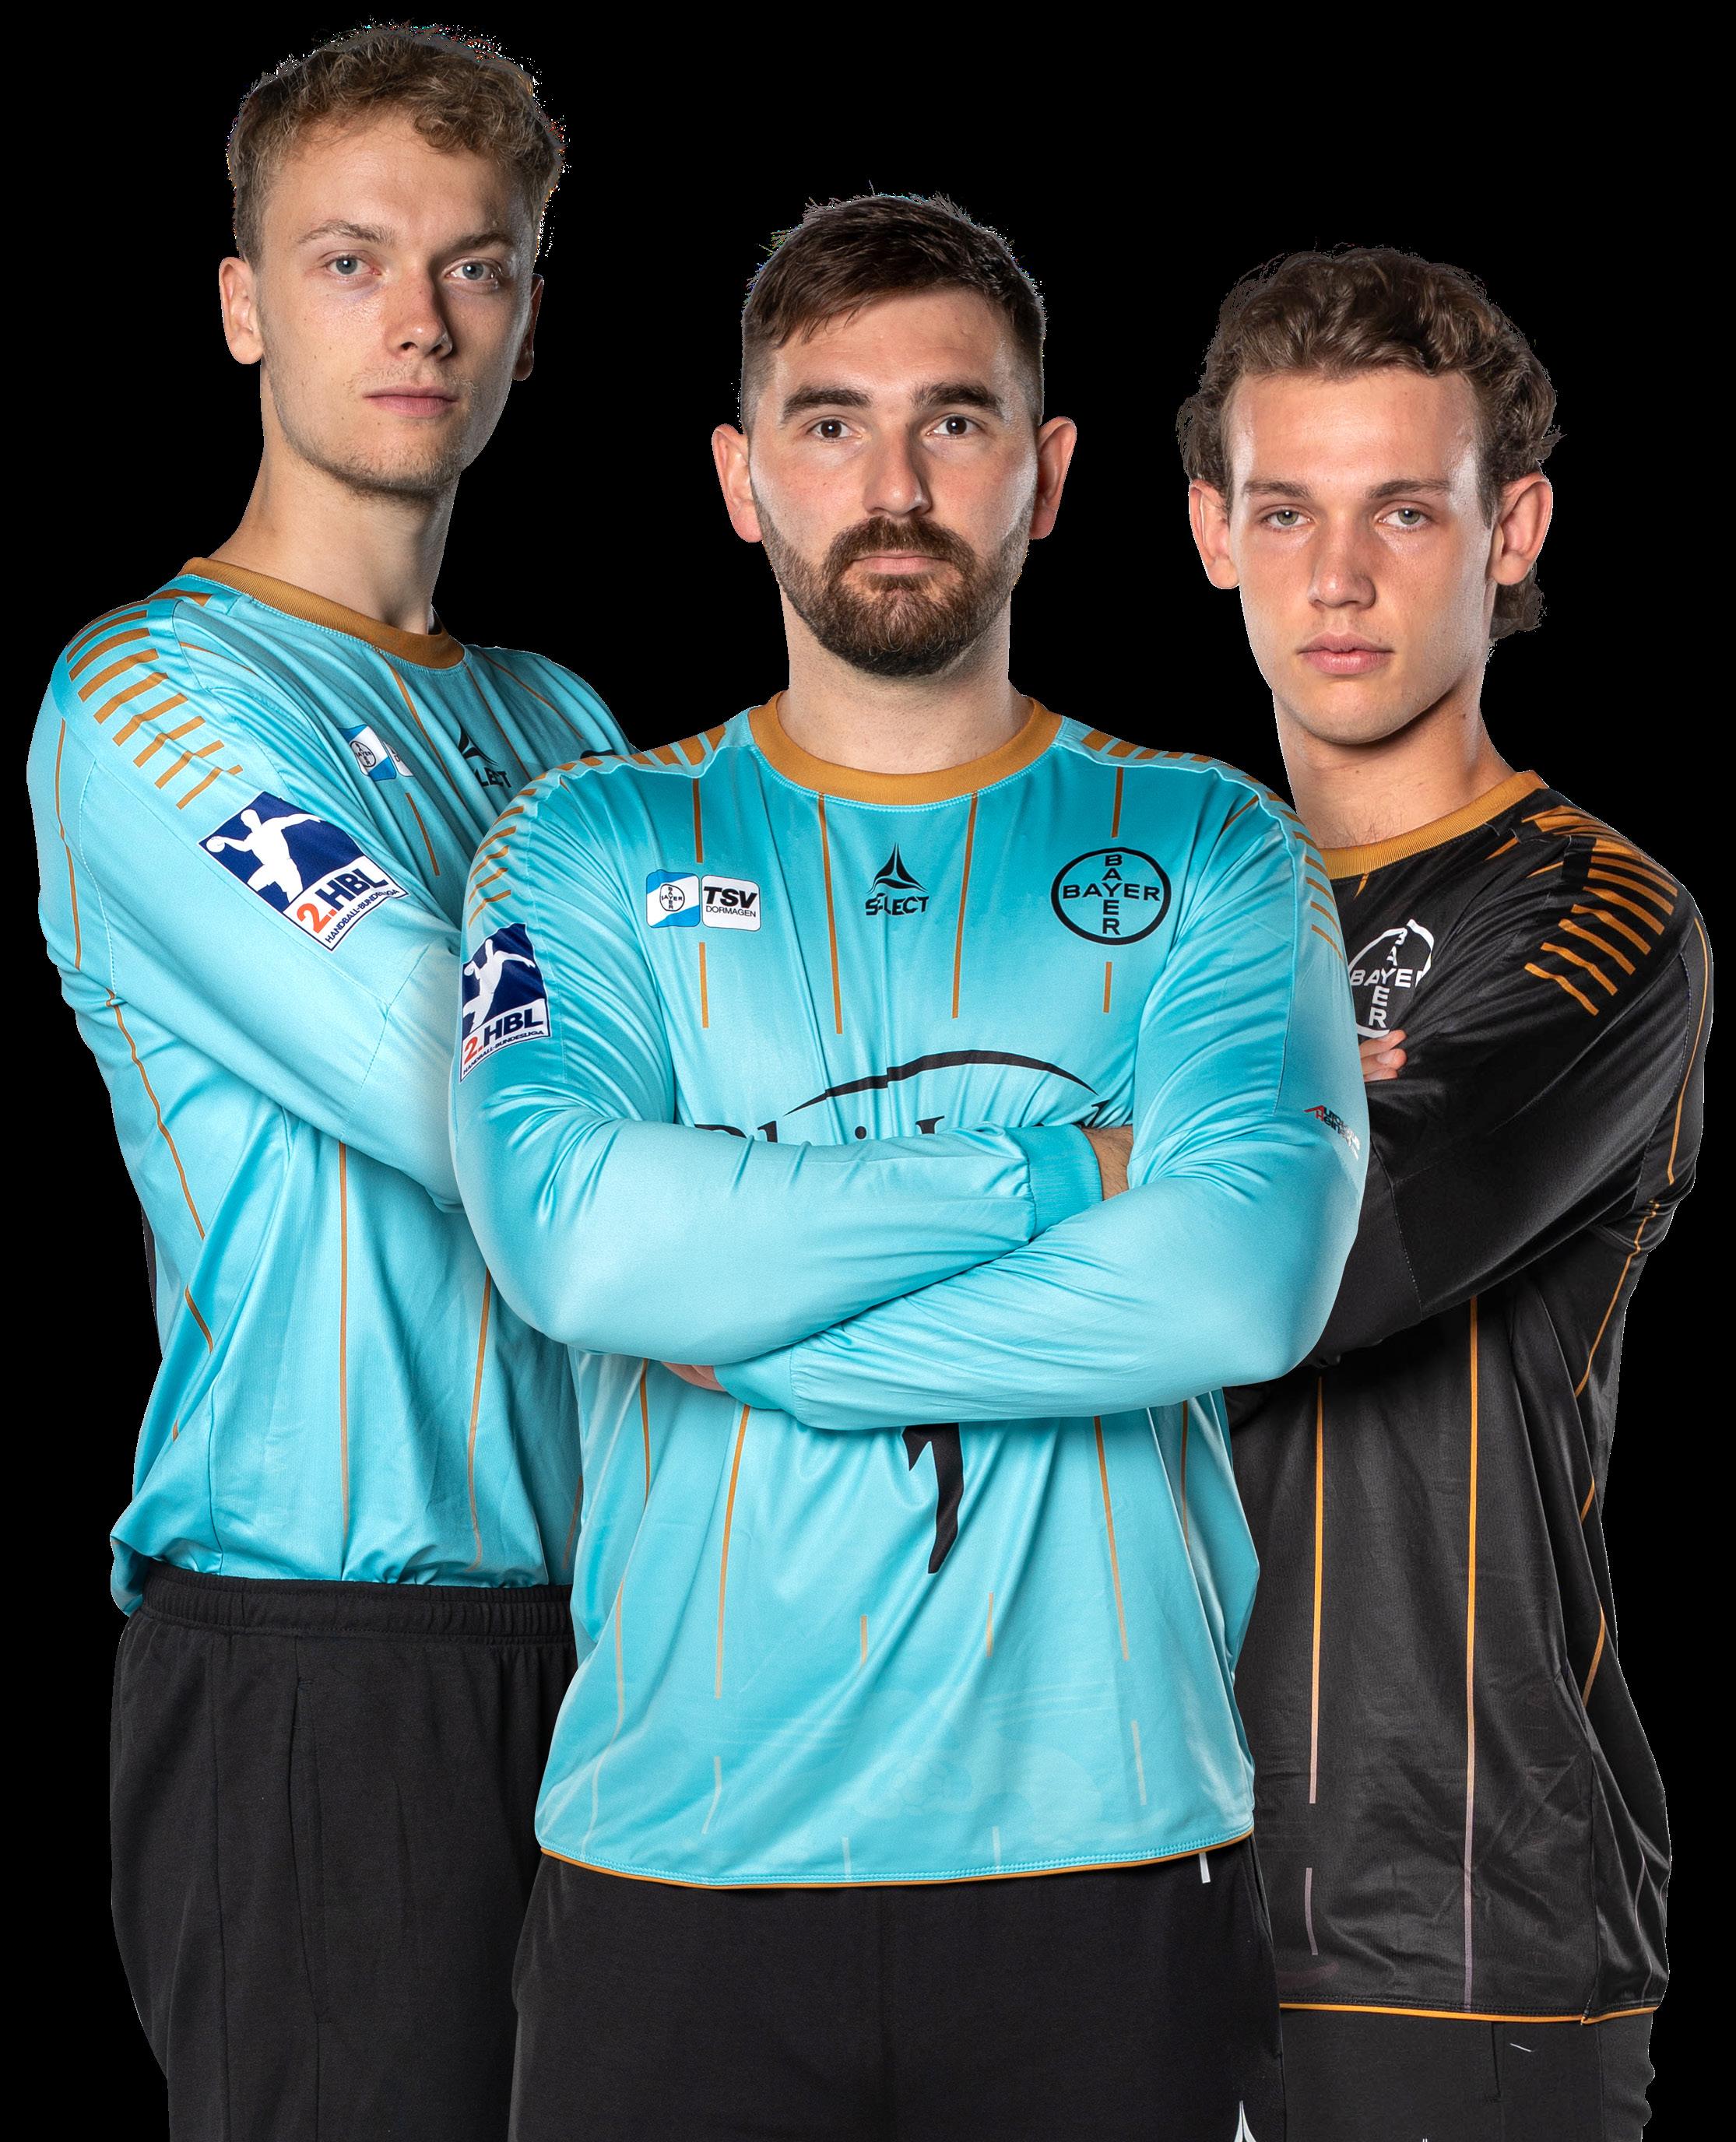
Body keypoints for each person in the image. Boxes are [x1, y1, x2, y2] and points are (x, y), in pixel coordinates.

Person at [452, 192, 1367, 2142]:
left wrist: (757, 1328)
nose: (891, 485)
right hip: (673, 1854)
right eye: (828, 422)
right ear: (738, 479)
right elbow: (578, 1246)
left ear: (1046, 473)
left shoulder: (1214, 844)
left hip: (1106, 1855)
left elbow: (1241, 1281)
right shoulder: (576, 844)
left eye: (953, 421)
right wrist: (1067, 1170)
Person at [27, 29, 627, 2140]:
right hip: (329, 1663)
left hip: (627, 1642)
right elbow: (465, 1097)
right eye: (351, 260)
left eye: (476, 266)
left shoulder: (565, 722)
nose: (418, 319)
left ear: (528, 317)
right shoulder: (148, 695)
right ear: (243, 304)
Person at [1182, 248, 1712, 2141]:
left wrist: (1149, 1146)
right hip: (1105, 1875)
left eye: (1403, 510)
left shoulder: (1595, 916)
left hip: (1448, 1915)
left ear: (1511, 530)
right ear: (1211, 532)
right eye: (1285, 511)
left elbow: (1319, 1257)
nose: (1336, 576)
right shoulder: (1147, 909)